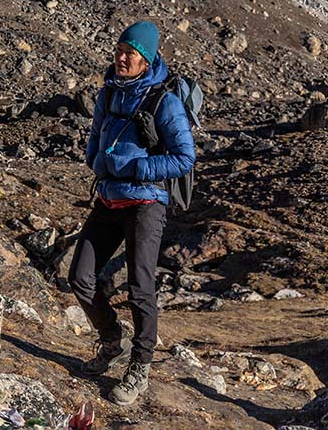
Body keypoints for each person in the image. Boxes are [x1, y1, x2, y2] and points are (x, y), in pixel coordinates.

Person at [67, 20, 196, 406]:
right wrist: (95, 160)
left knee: (141, 287)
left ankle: (139, 367)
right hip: (109, 198)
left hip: (145, 204)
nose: (123, 57)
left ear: (147, 59)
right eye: (120, 50)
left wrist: (140, 169)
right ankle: (112, 342)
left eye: (132, 53)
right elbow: (95, 135)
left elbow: (184, 158)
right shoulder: (108, 93)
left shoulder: (164, 102)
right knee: (81, 277)